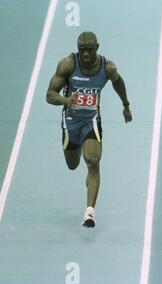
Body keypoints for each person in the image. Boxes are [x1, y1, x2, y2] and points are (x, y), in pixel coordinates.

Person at [46, 31, 132, 228]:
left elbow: (118, 82)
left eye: (89, 50)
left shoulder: (107, 68)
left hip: (91, 121)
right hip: (70, 123)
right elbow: (49, 94)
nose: (85, 54)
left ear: (97, 48)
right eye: (81, 50)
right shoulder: (68, 65)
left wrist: (125, 105)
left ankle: (89, 212)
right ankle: (88, 174)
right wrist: (65, 100)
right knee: (73, 164)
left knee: (93, 161)